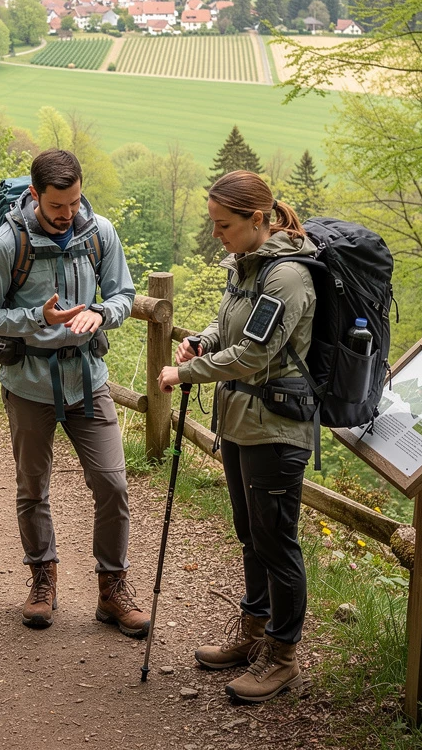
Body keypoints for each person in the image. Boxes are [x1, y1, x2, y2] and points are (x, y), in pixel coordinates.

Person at [0, 148, 149, 637]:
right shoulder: (5, 244)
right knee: (33, 487)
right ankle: (42, 580)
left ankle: (112, 589)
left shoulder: (99, 233)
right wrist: (37, 318)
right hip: (29, 383)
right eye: (56, 206)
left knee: (112, 483)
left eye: (73, 203)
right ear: (35, 195)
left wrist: (101, 313)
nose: (67, 214)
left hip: (88, 379)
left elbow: (123, 294)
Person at [157, 170, 317, 703]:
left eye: (223, 224)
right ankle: (253, 633)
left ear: (257, 219)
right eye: (213, 223)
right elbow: (231, 330)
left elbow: (255, 353)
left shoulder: (287, 276)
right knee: (251, 533)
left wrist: (186, 371)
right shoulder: (247, 264)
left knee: (276, 541)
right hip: (243, 421)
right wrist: (203, 342)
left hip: (276, 428)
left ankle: (282, 657)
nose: (215, 234)